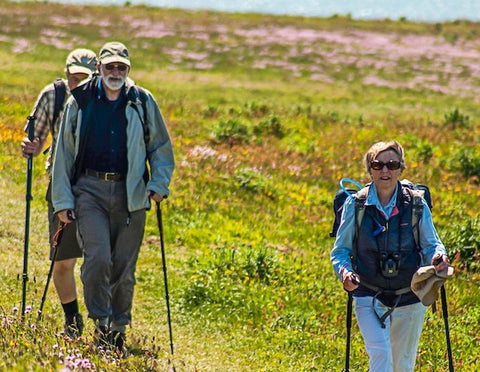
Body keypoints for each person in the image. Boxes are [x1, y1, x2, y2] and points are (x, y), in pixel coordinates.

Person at [51, 41, 175, 355]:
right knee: (98, 260)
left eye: (121, 67)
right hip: (89, 191)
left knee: (123, 266)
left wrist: (158, 184)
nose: (115, 72)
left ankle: (119, 328)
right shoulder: (80, 101)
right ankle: (101, 324)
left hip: (131, 193)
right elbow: (64, 154)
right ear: (100, 68)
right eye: (110, 67)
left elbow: (160, 148)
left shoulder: (142, 101)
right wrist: (63, 201)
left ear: (127, 70)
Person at [331, 140, 451, 372]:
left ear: (400, 168)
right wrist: (345, 273)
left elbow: (431, 244)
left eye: (392, 164)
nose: (385, 170)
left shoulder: (416, 203)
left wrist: (439, 258)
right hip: (367, 294)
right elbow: (340, 251)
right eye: (378, 165)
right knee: (381, 355)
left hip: (410, 295)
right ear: (370, 169)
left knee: (403, 365)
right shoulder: (355, 205)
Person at [21, 48, 98, 338]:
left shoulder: (108, 98)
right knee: (63, 259)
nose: (78, 83)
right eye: (74, 77)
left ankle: (104, 322)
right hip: (61, 185)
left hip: (98, 187)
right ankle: (73, 319)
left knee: (98, 257)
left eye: (85, 78)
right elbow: (37, 138)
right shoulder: (53, 95)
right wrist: (30, 147)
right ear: (66, 74)